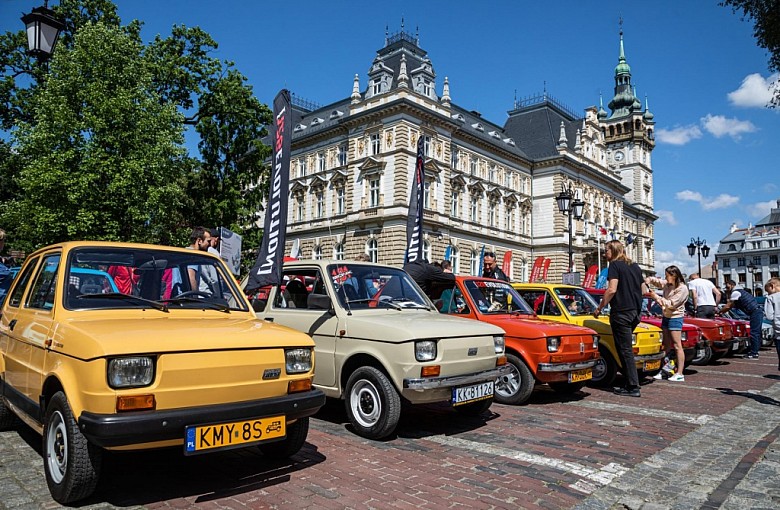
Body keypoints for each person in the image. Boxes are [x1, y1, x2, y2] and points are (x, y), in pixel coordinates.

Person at [594, 240, 646, 397]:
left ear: (614, 251)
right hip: (635, 312)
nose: (604, 254)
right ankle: (630, 382)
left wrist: (599, 308)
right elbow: (644, 290)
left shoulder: (615, 266)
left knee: (624, 350)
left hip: (622, 312)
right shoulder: (635, 266)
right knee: (626, 349)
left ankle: (632, 386)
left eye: (606, 251)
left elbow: (611, 289)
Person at [645, 266, 689, 382]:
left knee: (677, 345)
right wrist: (649, 279)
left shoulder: (682, 289)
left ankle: (680, 373)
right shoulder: (668, 284)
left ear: (674, 276)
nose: (665, 278)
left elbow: (670, 304)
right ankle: (666, 370)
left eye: (667, 275)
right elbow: (659, 282)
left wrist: (656, 297)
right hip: (666, 316)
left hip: (675, 317)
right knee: (666, 345)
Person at [719, 279, 763, 359]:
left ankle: (754, 353)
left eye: (727, 287)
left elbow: (729, 306)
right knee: (757, 332)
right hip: (757, 311)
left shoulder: (736, 293)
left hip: (754, 312)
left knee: (754, 333)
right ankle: (755, 350)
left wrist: (719, 312)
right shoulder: (741, 291)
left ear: (731, 285)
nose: (727, 289)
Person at [186, 227, 213, 293]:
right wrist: (195, 298)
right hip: (187, 300)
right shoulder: (193, 255)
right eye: (208, 241)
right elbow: (191, 278)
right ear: (199, 241)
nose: (210, 245)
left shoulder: (185, 252)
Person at [763, 278, 780, 370]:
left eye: (768, 291)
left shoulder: (771, 298)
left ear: (772, 286)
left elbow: (769, 316)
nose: (768, 293)